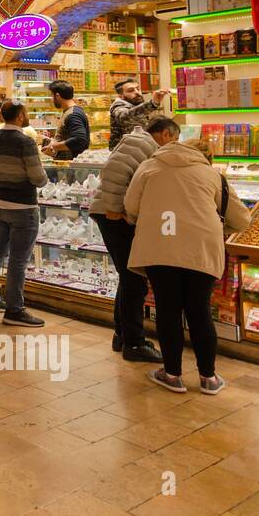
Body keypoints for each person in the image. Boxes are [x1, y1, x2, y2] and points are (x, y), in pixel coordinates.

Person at [125, 117, 250, 395]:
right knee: (199, 311)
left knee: (168, 311)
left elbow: (130, 207)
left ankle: (172, 375)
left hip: (160, 247)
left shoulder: (148, 167)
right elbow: (241, 220)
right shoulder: (212, 175)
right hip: (201, 249)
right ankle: (209, 377)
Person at [91, 115, 166, 363]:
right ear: (165, 134)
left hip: (114, 214)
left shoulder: (137, 141)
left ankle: (122, 335)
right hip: (114, 215)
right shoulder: (142, 144)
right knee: (134, 279)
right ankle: (134, 343)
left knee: (128, 277)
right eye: (173, 139)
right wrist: (114, 209)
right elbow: (114, 174)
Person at [0, 100, 47, 327]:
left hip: (1, 204)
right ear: (19, 116)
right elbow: (38, 178)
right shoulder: (25, 142)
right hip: (24, 207)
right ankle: (14, 310)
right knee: (18, 260)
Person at [109, 79, 171, 149]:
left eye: (138, 89)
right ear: (121, 96)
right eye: (130, 90)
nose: (137, 92)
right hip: (123, 154)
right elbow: (124, 117)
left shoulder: (135, 106)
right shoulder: (118, 106)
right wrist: (152, 104)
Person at [42, 80, 90, 159]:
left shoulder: (73, 114)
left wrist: (54, 146)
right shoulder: (70, 112)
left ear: (57, 96)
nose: (51, 99)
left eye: (52, 96)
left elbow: (80, 139)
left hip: (70, 166)